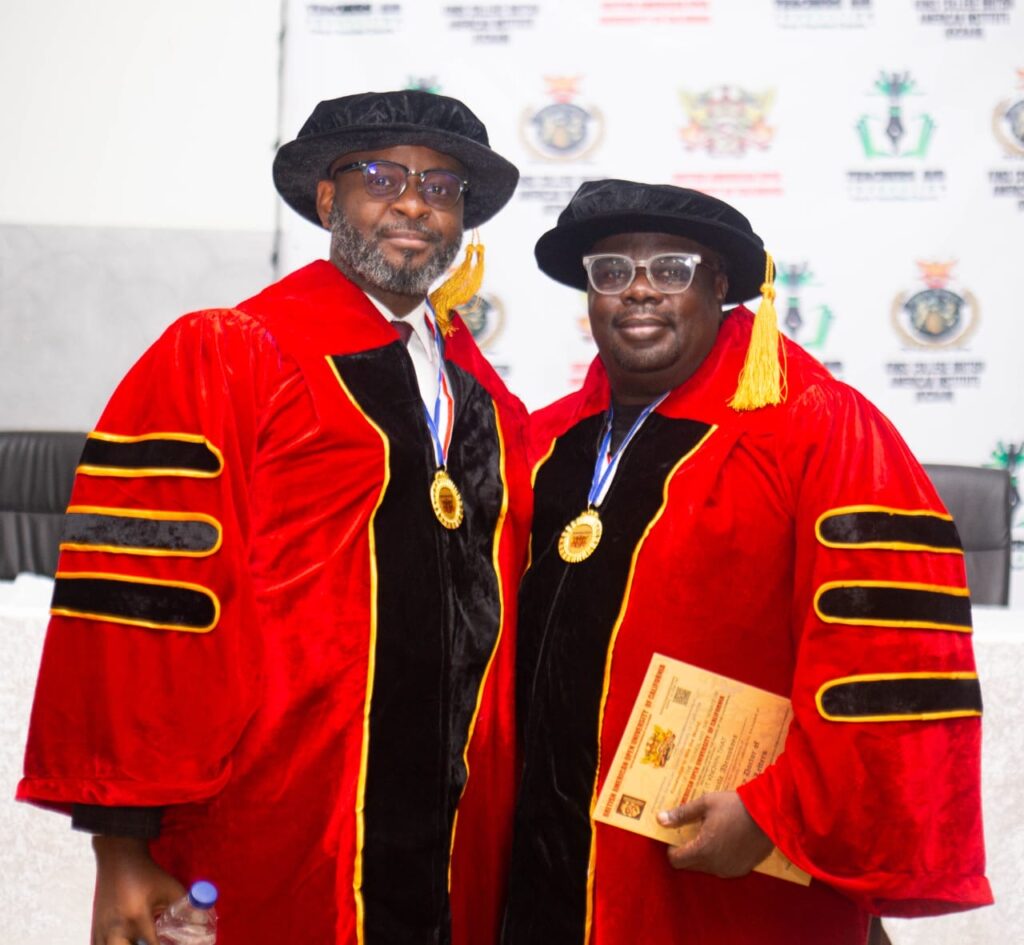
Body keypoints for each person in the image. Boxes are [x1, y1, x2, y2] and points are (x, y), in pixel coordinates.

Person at [18, 90, 531, 945]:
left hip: (453, 842)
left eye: (441, 187)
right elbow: (140, 607)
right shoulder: (230, 353)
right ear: (328, 200)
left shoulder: (486, 400)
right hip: (276, 821)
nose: (414, 203)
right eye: (382, 178)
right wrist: (122, 843)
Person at [502, 179, 992, 944]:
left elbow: (889, 657)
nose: (639, 290)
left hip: (729, 867)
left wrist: (775, 811)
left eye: (672, 269)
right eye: (612, 271)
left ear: (720, 285)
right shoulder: (543, 442)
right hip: (547, 862)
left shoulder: (818, 429)